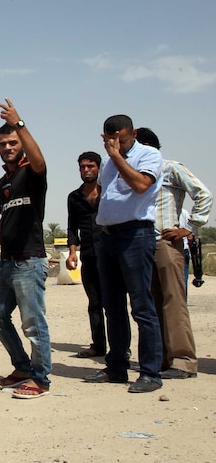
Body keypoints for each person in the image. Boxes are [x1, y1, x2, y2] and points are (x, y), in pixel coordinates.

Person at [83, 115, 164, 393]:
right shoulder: (108, 162)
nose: (116, 144)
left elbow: (141, 185)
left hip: (136, 235)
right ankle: (116, 367)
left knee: (142, 307)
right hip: (108, 237)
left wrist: (117, 156)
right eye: (110, 140)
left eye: (122, 138)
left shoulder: (148, 154)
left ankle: (150, 373)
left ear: (134, 133)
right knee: (112, 306)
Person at [0, 98, 52, 400]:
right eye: (3, 144)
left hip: (29, 261)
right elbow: (5, 219)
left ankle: (41, 378)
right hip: (7, 263)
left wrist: (20, 123)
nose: (8, 147)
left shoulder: (32, 174)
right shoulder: (4, 182)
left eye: (12, 142)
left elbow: (40, 161)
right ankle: (22, 367)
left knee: (34, 323)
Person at [134, 127, 211, 380]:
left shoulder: (170, 168)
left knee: (173, 302)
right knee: (150, 305)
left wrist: (188, 228)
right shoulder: (134, 173)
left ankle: (183, 361)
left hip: (165, 243)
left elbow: (203, 194)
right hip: (141, 243)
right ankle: (161, 360)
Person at [66, 151, 111, 358]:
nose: (86, 170)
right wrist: (72, 252)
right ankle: (98, 346)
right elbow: (72, 228)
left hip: (110, 254)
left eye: (90, 166)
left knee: (113, 303)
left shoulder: (109, 192)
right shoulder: (74, 198)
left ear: (99, 168)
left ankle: (121, 348)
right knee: (94, 303)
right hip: (89, 256)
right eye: (83, 167)